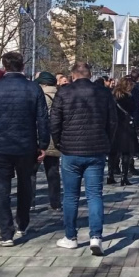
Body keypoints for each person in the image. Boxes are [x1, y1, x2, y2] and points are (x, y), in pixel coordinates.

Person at [0, 52, 50, 247]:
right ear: (23, 65)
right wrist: (43, 145)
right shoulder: (33, 89)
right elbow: (42, 119)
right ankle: (22, 223)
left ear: (3, 67)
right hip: (25, 146)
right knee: (25, 185)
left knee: (1, 189)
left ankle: (6, 231)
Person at [50, 62, 117, 255]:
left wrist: (58, 142)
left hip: (70, 149)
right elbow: (112, 121)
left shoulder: (64, 92)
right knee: (94, 194)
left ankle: (70, 237)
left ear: (72, 75)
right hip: (96, 149)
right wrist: (107, 142)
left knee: (70, 196)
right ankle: (96, 236)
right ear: (90, 74)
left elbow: (55, 121)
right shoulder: (103, 93)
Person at [35, 72, 63, 210]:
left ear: (43, 83)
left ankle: (30, 202)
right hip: (55, 138)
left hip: (41, 137)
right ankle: (55, 202)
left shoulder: (40, 96)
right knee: (53, 172)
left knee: (31, 173)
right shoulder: (60, 95)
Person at [110, 77, 138, 185]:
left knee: (113, 152)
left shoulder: (113, 96)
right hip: (125, 126)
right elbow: (133, 109)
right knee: (126, 152)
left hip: (114, 126)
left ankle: (110, 175)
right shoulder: (128, 97)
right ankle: (124, 177)